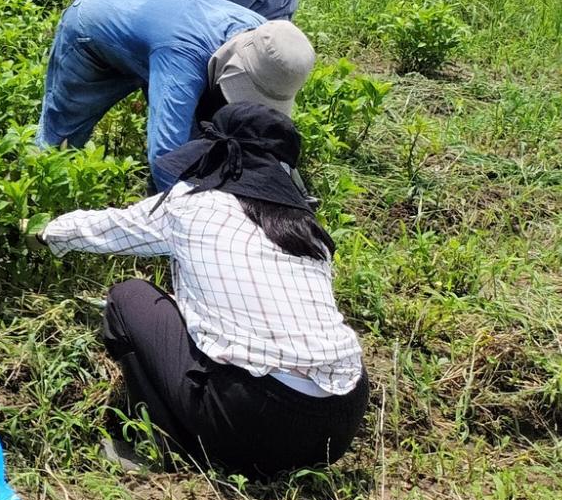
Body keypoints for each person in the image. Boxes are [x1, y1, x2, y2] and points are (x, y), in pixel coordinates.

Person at [39, 103, 368, 479]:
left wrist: (46, 232)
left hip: (252, 419)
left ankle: (166, 442)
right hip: (341, 420)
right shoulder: (305, 228)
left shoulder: (194, 204)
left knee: (128, 297)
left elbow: (109, 229)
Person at [36, 0, 314, 185]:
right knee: (61, 136)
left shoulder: (261, 32)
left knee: (193, 127)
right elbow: (166, 158)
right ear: (234, 69)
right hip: (93, 24)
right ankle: (36, 199)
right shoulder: (182, 58)